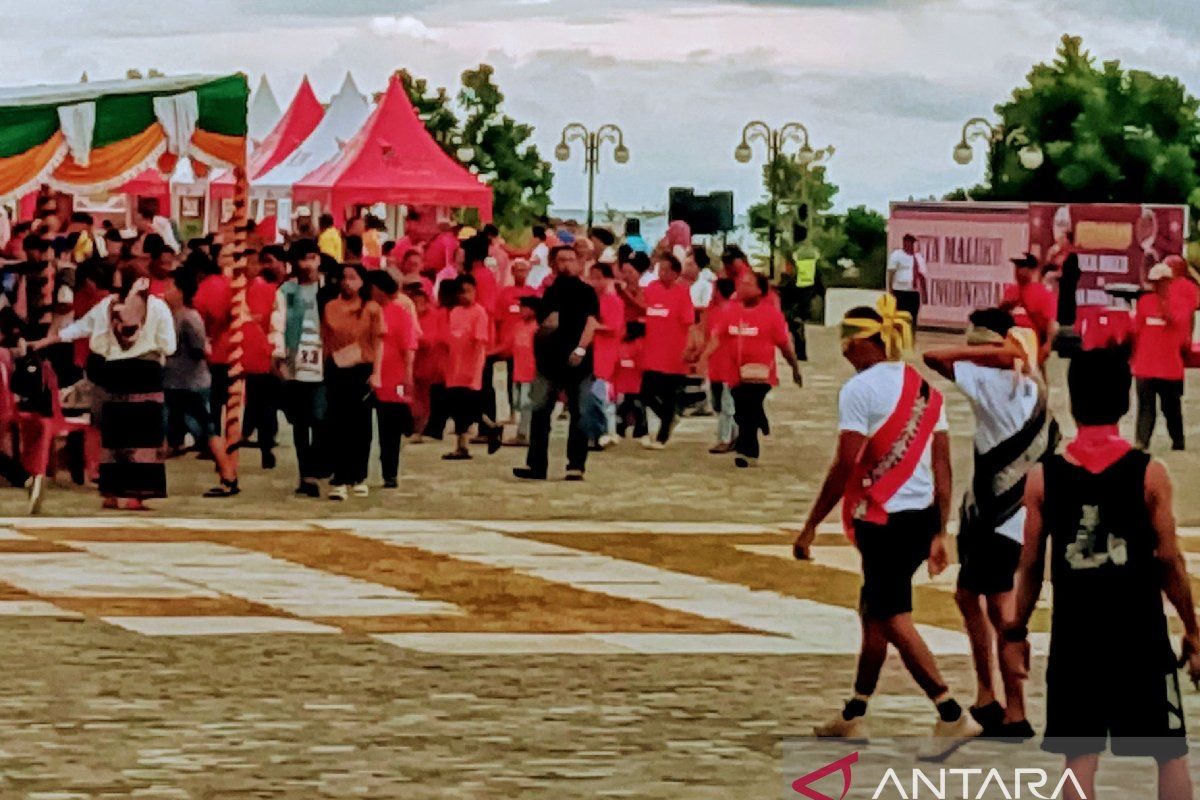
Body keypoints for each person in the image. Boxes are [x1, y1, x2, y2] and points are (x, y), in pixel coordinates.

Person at [1001, 347, 1200, 799]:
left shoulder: (1043, 478)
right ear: (1126, 402)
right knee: (1168, 752)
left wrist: (1014, 633)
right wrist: (1192, 629)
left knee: (1080, 757)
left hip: (1076, 638)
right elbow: (1169, 560)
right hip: (1140, 635)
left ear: (1072, 403)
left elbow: (1029, 565)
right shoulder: (1150, 474)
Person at [793, 297, 980, 749]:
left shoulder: (859, 391)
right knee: (873, 614)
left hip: (882, 521)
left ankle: (950, 711)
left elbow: (845, 463)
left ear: (859, 343)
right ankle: (854, 711)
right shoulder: (925, 390)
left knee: (892, 617)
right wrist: (940, 529)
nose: (841, 352)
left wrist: (811, 524)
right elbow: (943, 465)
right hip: (919, 521)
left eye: (844, 343)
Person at [923, 307, 1060, 739]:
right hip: (1004, 509)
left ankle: (1012, 707)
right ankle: (989, 696)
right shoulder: (1032, 379)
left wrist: (981, 351)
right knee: (972, 596)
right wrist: (1005, 351)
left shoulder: (988, 380)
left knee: (999, 608)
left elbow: (933, 356)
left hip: (1000, 514)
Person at [35, 271, 178, 510]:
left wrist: (52, 339)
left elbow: (82, 328)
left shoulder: (106, 306)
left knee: (115, 437)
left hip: (114, 374)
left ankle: (112, 492)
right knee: (142, 437)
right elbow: (169, 346)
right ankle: (135, 493)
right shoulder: (158, 307)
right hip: (145, 374)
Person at [514, 246, 599, 481]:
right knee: (540, 411)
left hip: (578, 362)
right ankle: (537, 465)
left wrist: (580, 349)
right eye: (562, 260)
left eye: (571, 260)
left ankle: (576, 465)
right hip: (549, 362)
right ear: (552, 264)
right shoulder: (550, 292)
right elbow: (547, 323)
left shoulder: (586, 292)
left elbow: (591, 323)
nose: (567, 264)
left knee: (579, 413)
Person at [700, 271, 801, 468]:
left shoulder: (771, 314)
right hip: (735, 373)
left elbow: (784, 344)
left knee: (748, 407)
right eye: (741, 284)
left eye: (748, 284)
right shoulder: (731, 311)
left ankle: (747, 452)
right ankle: (759, 420)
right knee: (741, 411)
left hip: (760, 374)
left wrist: (794, 368)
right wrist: (704, 356)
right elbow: (718, 337)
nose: (742, 287)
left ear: (760, 290)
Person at [162, 278, 239, 497]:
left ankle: (228, 474)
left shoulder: (188, 317)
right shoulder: (174, 316)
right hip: (175, 382)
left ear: (181, 292)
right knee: (171, 428)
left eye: (171, 287)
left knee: (207, 429)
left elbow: (199, 348)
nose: (167, 292)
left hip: (191, 383)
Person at [270, 241, 327, 498]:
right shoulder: (286, 291)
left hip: (325, 362)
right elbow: (277, 325)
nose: (307, 264)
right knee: (301, 422)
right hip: (295, 362)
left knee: (322, 418)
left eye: (312, 258)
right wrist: (278, 356)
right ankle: (306, 474)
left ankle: (318, 465)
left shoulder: (328, 288)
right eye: (302, 259)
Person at [321, 264, 383, 500]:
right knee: (336, 424)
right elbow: (325, 340)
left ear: (362, 281)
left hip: (362, 370)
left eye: (353, 278)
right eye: (344, 278)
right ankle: (339, 476)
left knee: (360, 426)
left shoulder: (371, 308)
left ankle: (359, 476)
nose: (348, 282)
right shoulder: (330, 307)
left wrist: (377, 373)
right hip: (336, 370)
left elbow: (378, 343)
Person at [441, 275, 501, 460]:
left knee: (469, 407)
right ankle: (462, 445)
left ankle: (490, 427)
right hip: (454, 369)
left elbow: (480, 344)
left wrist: (476, 370)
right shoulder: (455, 312)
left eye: (468, 291)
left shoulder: (479, 313)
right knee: (458, 409)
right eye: (461, 292)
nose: (464, 295)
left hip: (470, 369)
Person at [639, 253, 695, 449]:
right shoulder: (651, 288)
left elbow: (689, 322)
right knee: (645, 392)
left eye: (666, 270)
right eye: (659, 269)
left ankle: (663, 435)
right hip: (651, 350)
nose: (661, 273)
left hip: (673, 352)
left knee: (669, 394)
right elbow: (642, 309)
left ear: (675, 273)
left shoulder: (682, 293)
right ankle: (668, 417)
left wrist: (690, 348)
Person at [1133, 263, 1189, 451]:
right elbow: (1136, 331)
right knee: (1145, 410)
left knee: (1171, 409)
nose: (1158, 286)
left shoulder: (1180, 304)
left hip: (1170, 369)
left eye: (1162, 282)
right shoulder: (1144, 303)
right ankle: (1141, 442)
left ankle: (1178, 441)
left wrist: (1165, 303)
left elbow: (1177, 323)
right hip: (1145, 367)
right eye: (1155, 282)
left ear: (1170, 282)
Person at [369, 271, 417, 488]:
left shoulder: (399, 313)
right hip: (368, 375)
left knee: (390, 430)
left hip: (393, 378)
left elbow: (408, 348)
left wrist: (407, 376)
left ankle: (390, 472)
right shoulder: (368, 310)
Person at [590, 263, 624, 448]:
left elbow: (615, 327)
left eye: (597, 277)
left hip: (606, 352)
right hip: (594, 352)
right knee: (596, 394)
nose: (594, 281)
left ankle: (606, 431)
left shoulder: (612, 301)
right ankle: (600, 431)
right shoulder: (593, 299)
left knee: (602, 394)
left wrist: (595, 326)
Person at [1000, 253, 1057, 357]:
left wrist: (1047, 345)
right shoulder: (1010, 290)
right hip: (1009, 340)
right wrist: (1004, 307)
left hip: (1031, 341)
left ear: (1032, 270)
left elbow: (1050, 323)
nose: (1017, 271)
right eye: (1017, 267)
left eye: (1022, 267)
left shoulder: (1045, 294)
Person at [705, 278, 738, 454]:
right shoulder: (718, 311)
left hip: (726, 366)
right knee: (723, 404)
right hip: (718, 366)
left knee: (727, 405)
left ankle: (726, 438)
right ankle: (733, 436)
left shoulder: (728, 312)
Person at [505, 296, 539, 447]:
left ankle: (524, 433)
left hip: (531, 372)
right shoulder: (518, 326)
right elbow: (509, 345)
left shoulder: (537, 328)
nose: (521, 310)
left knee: (526, 404)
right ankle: (523, 432)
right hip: (518, 371)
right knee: (518, 403)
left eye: (525, 308)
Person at [613, 321, 648, 440]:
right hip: (630, 378)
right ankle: (638, 428)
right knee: (632, 404)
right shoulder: (639, 344)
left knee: (630, 404)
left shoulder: (633, 344)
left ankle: (628, 427)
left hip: (630, 378)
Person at [886, 233, 925, 328]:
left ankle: (911, 336)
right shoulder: (897, 255)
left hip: (913, 292)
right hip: (900, 291)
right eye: (907, 242)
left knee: (912, 316)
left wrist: (923, 292)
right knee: (900, 316)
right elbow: (891, 272)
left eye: (911, 243)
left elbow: (922, 276)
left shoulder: (918, 257)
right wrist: (890, 289)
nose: (909, 245)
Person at [527, 225, 552, 290]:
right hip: (537, 279)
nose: (530, 240)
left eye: (531, 237)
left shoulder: (541, 248)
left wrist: (526, 263)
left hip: (538, 280)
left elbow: (537, 260)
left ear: (537, 238)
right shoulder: (541, 248)